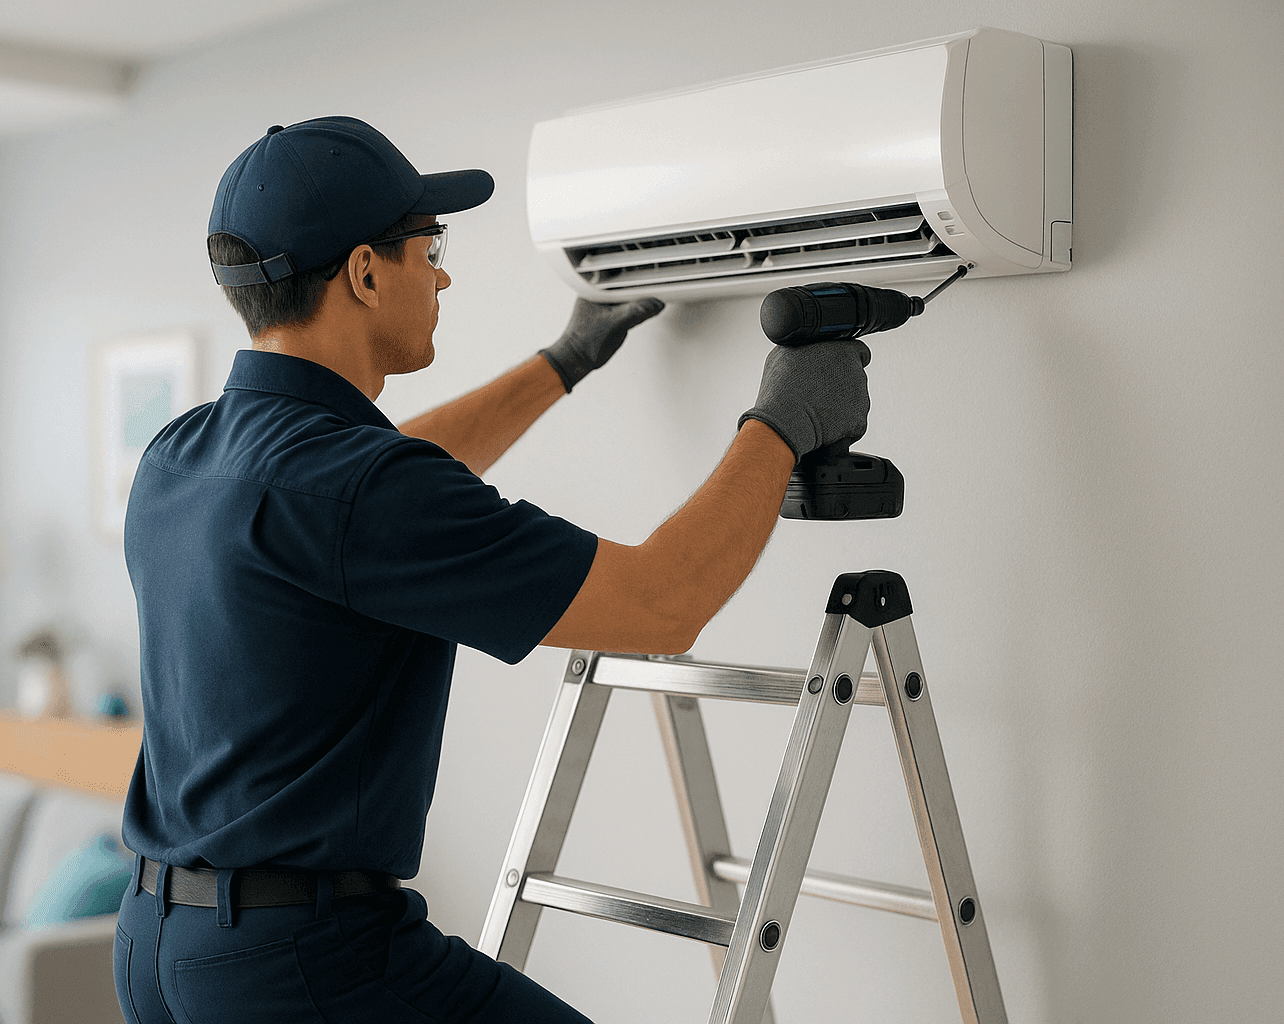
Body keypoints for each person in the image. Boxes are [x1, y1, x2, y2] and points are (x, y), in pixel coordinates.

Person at [114, 116, 870, 1024]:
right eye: (428, 247)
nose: (440, 272)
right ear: (363, 272)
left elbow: (377, 483)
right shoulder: (360, 488)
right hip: (305, 965)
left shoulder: (182, 456)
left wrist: (565, 362)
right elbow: (662, 603)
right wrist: (782, 420)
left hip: (159, 948)